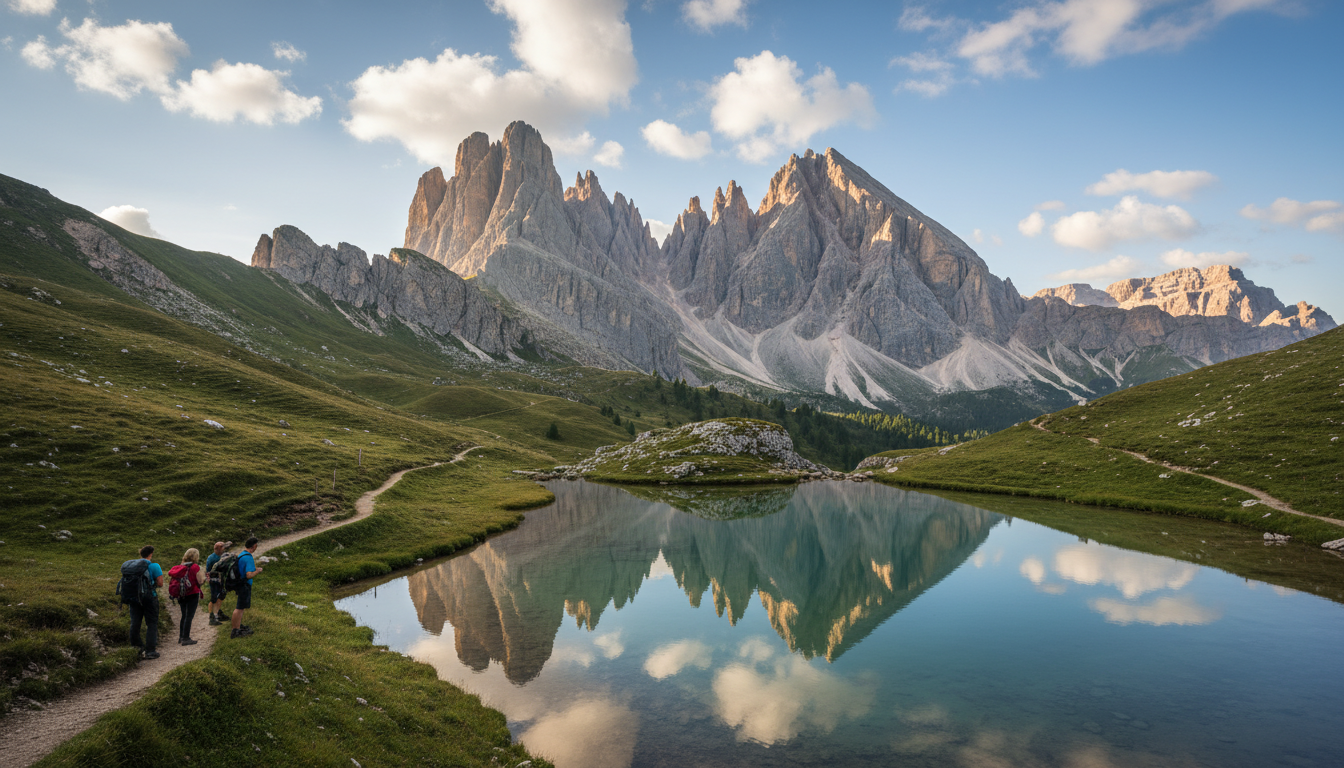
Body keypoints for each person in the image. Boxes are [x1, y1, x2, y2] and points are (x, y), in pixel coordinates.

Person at [128, 545, 164, 659]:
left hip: (134, 598)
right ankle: (150, 651)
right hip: (149, 598)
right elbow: (160, 583)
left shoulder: (132, 567)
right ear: (151, 553)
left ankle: (136, 649)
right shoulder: (154, 566)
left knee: (135, 623)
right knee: (151, 623)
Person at [231, 537, 263, 639]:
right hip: (244, 585)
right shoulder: (248, 558)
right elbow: (248, 575)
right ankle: (235, 631)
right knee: (239, 608)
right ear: (254, 546)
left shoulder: (242, 554)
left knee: (241, 607)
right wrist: (257, 571)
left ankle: (238, 626)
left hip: (239, 583)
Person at [176, 548, 205, 645]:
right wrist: (205, 579)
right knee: (189, 616)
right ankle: (186, 638)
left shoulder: (180, 566)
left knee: (184, 615)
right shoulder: (195, 567)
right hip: (192, 593)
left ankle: (181, 636)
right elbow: (200, 581)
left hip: (181, 594)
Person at [204, 541, 231, 626]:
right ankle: (212, 617)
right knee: (214, 598)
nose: (224, 548)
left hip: (221, 580)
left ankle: (218, 613)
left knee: (221, 596)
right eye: (223, 547)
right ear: (218, 549)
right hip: (214, 580)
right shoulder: (212, 558)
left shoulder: (222, 555)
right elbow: (209, 571)